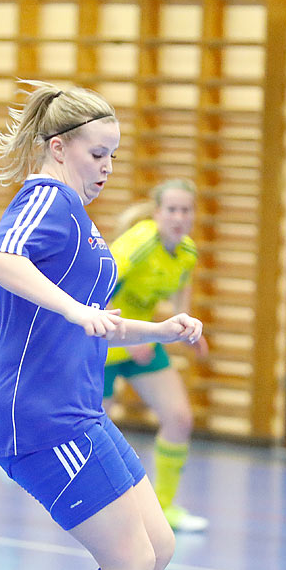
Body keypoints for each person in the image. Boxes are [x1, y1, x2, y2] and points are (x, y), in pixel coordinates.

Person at [0, 82, 203, 570]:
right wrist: (74, 310)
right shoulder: (44, 199)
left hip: (79, 408)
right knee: (128, 558)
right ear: (59, 148)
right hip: (39, 417)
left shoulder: (79, 213)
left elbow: (90, 318)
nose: (107, 166)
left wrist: (155, 327)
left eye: (113, 155)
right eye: (97, 153)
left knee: (156, 546)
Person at [103, 178, 210, 533]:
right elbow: (96, 289)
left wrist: (189, 330)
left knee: (179, 417)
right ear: (157, 213)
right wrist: (125, 335)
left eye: (186, 210)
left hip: (141, 340)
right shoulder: (139, 244)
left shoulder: (187, 252)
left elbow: (182, 295)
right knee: (91, 429)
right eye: (172, 210)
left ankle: (163, 509)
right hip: (103, 338)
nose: (179, 217)